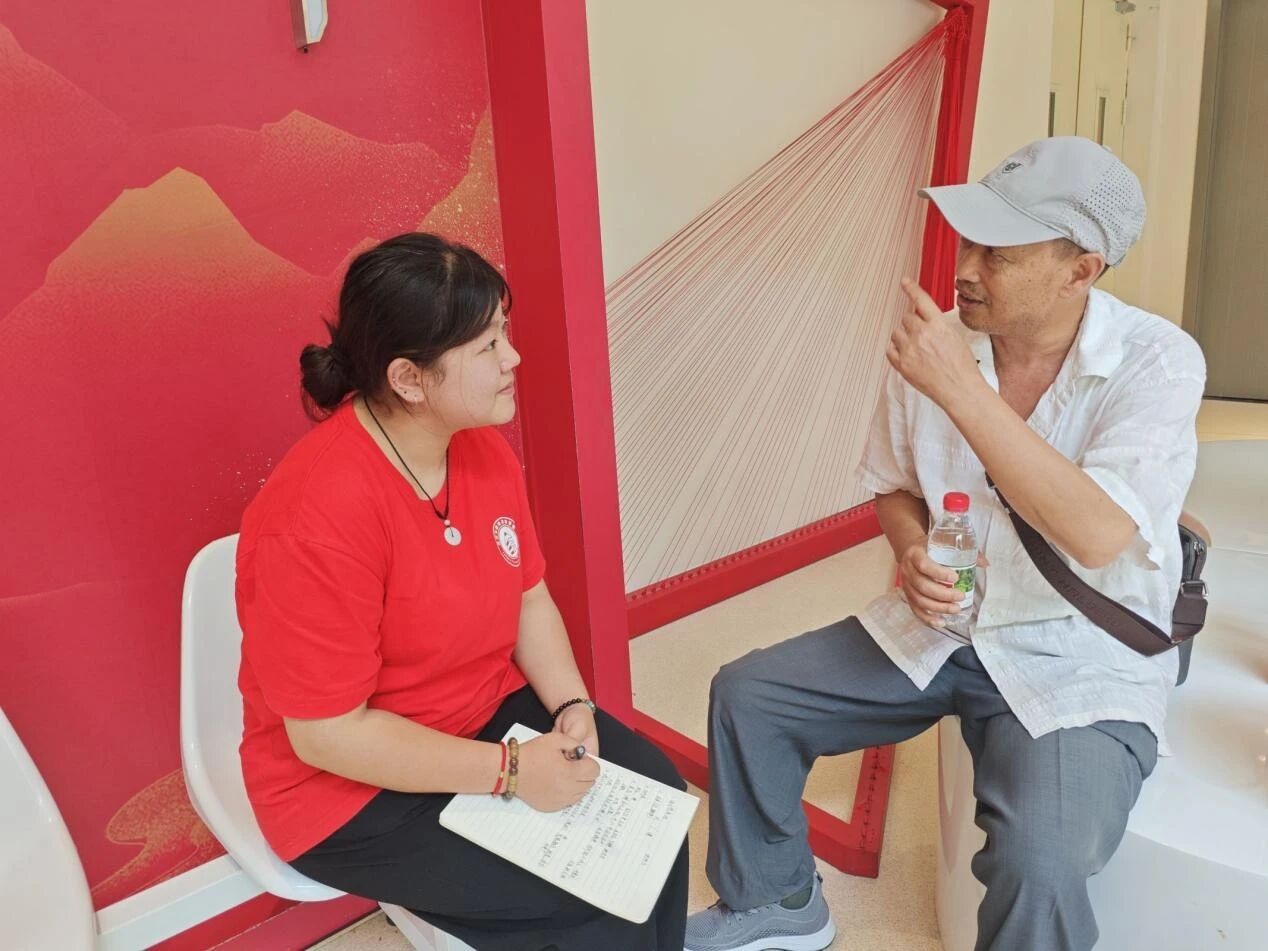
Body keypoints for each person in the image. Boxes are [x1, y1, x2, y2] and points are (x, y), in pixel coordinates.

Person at [684, 136, 1206, 951]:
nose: (965, 269)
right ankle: (777, 900)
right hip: (945, 624)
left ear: (1080, 270)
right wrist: (911, 552)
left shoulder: (1158, 362)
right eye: (967, 243)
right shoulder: (942, 345)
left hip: (1076, 651)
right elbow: (896, 487)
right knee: (750, 696)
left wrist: (960, 388)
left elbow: (1099, 532)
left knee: (1041, 860)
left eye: (997, 253)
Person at [235, 232, 688, 951]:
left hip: (478, 711)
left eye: (504, 331)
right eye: (487, 346)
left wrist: (571, 704)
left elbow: (528, 596)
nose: (514, 358)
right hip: (346, 788)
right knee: (592, 901)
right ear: (410, 379)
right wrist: (512, 772)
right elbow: (327, 734)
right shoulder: (316, 516)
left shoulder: (479, 448)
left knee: (659, 799)